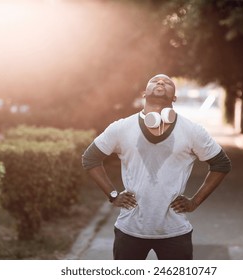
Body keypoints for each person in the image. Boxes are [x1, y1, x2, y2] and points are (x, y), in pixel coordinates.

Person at [82, 74, 231, 260]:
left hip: (175, 232)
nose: (161, 82)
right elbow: (90, 158)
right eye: (155, 81)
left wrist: (195, 201)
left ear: (174, 97)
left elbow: (221, 164)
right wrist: (112, 195)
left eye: (167, 82)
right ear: (145, 93)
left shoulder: (192, 130)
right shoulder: (121, 128)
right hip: (129, 230)